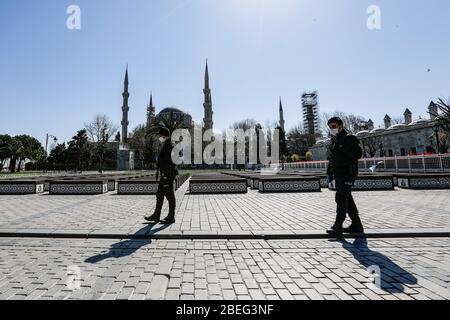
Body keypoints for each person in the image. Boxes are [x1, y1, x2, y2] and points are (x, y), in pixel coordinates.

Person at [326, 117, 365, 237]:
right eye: (330, 127)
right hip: (338, 174)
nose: (332, 129)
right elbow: (332, 158)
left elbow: (358, 154)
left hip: (347, 174)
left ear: (341, 126)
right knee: (347, 199)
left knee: (341, 199)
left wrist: (343, 146)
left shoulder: (349, 139)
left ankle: (338, 226)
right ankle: (357, 225)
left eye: (334, 126)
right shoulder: (334, 140)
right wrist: (329, 172)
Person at [145, 126, 178, 224]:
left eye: (160, 135)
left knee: (170, 196)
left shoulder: (169, 145)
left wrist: (165, 174)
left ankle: (171, 216)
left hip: (167, 175)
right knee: (159, 195)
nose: (159, 137)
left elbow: (169, 162)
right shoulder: (167, 144)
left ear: (164, 135)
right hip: (164, 174)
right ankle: (156, 215)